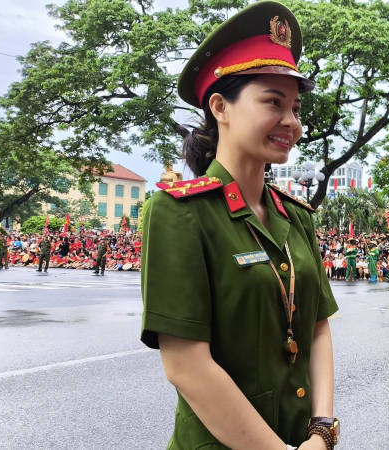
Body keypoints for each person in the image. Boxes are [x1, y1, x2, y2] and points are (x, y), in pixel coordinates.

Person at [139, 3, 340, 449]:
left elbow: (317, 327)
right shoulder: (178, 213)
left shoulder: (297, 216)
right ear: (220, 107)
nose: (291, 122)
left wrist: (323, 431)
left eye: (295, 107)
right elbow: (186, 365)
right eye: (273, 102)